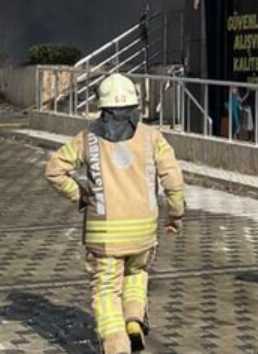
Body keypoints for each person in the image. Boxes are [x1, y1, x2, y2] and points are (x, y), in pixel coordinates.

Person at [45, 73, 185, 354]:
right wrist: (175, 214)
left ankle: (116, 345)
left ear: (102, 108)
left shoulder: (87, 139)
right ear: (135, 107)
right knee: (136, 274)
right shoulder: (151, 137)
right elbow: (172, 177)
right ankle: (133, 318)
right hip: (144, 233)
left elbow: (54, 170)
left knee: (106, 292)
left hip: (106, 236)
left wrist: (80, 194)